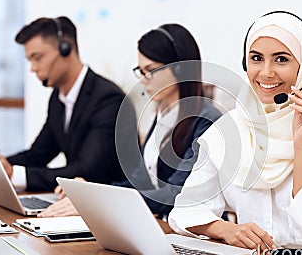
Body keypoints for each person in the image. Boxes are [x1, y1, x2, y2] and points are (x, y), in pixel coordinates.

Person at [168, 11, 302, 255]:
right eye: (256, 58)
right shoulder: (229, 130)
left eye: (281, 59)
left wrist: (301, 144)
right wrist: (227, 230)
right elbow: (183, 212)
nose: (266, 73)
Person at [39, 23, 222, 219]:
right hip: (164, 227)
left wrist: (101, 200)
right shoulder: (162, 116)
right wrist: (91, 192)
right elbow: (137, 183)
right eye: (141, 71)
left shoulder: (207, 120)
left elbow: (175, 194)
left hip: (198, 233)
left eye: (150, 70)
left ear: (179, 69)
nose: (144, 79)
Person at [0, 16, 138, 191]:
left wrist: (16, 175)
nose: (33, 68)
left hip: (110, 207)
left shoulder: (108, 99)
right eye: (30, 60)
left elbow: (87, 170)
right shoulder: (59, 98)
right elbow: (38, 155)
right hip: (75, 202)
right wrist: (2, 166)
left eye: (37, 57)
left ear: (65, 49)